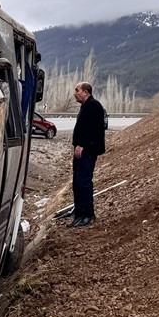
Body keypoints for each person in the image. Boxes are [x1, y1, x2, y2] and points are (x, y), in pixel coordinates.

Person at [70, 81, 107, 228]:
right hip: (81, 150)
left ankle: (88, 214)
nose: (75, 93)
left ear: (85, 92)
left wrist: (82, 145)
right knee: (77, 182)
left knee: (84, 182)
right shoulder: (85, 106)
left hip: (87, 151)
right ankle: (79, 213)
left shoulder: (94, 106)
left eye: (77, 90)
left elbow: (94, 130)